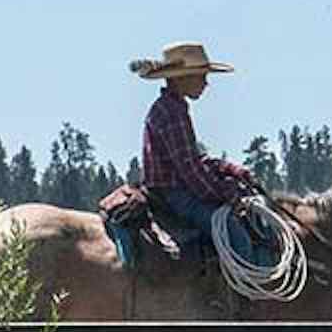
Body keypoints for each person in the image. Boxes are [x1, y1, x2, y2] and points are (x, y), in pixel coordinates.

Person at [106, 42, 264, 282]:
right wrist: (226, 192)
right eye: (201, 76)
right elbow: (191, 172)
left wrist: (230, 169)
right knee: (233, 231)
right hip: (175, 195)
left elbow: (192, 159)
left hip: (169, 190)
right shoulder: (173, 113)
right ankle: (247, 296)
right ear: (182, 78)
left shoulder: (170, 108)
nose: (206, 83)